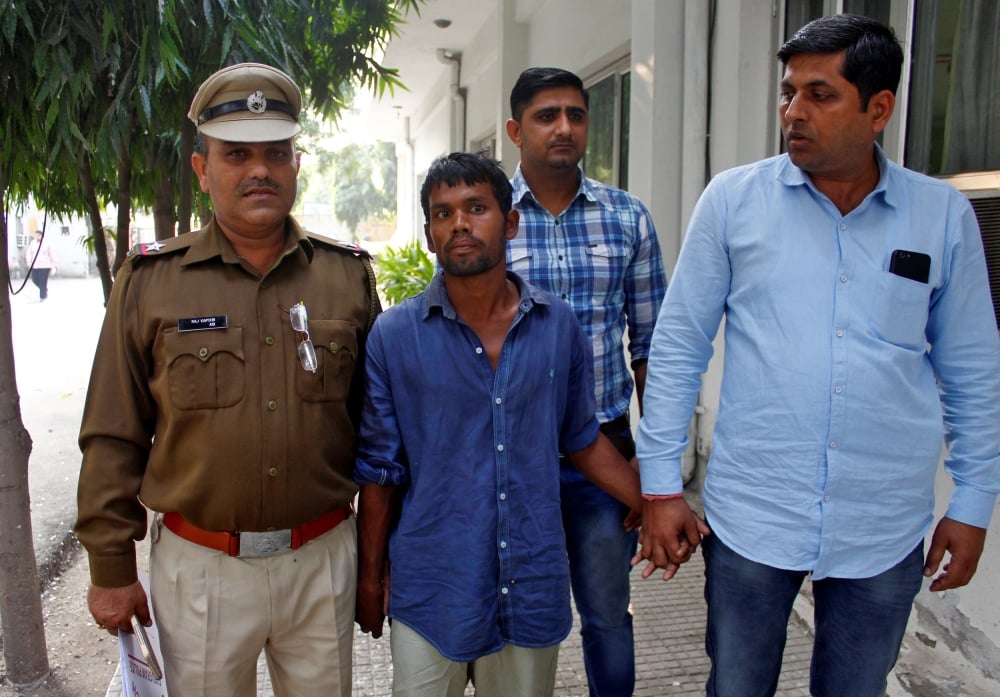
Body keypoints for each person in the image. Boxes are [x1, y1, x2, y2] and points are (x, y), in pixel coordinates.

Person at [636, 14, 1000, 697]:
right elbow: (680, 345)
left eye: (820, 95)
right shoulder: (734, 203)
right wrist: (660, 484)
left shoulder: (941, 217)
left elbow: (973, 370)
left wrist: (974, 498)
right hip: (754, 515)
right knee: (737, 685)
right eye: (787, 92)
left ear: (880, 108)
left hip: (883, 522)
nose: (792, 113)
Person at [75, 62, 379, 697]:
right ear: (202, 169)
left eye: (275, 153)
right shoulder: (151, 281)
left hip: (321, 560)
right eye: (236, 154)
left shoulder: (346, 277)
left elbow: (376, 430)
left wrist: (377, 561)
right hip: (201, 570)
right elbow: (113, 432)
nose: (259, 170)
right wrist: (110, 565)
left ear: (297, 164)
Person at [354, 152, 644, 697]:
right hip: (431, 587)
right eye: (444, 214)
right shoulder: (394, 337)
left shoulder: (557, 326)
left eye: (477, 208)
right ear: (429, 234)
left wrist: (654, 502)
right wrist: (369, 578)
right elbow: (379, 471)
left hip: (531, 581)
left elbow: (581, 438)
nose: (460, 224)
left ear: (510, 223)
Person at [503, 66, 680, 697]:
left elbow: (652, 348)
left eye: (576, 115)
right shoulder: (489, 220)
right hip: (513, 454)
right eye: (547, 115)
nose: (564, 128)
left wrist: (658, 476)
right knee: (515, 610)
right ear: (514, 131)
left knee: (607, 613)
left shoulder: (627, 218)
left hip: (603, 455)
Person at [25, 229, 58, 301]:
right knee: (35, 279)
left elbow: (52, 254)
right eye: (36, 235)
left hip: (45, 265)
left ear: (42, 236)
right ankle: (44, 290)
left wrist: (55, 264)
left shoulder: (47, 243)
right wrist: (29, 262)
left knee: (42, 281)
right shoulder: (32, 243)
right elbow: (29, 253)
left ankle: (42, 296)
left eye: (38, 235)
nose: (37, 236)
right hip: (35, 265)